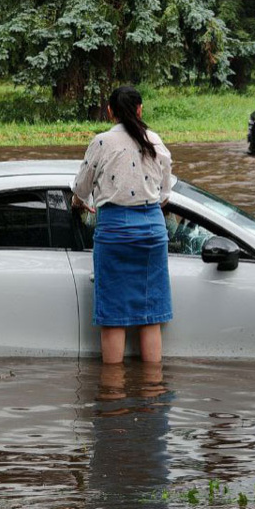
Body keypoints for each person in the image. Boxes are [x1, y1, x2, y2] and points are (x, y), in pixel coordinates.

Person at [72, 85, 173, 365]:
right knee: (151, 315)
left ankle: (113, 397)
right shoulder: (154, 140)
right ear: (140, 109)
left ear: (110, 111)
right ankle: (152, 394)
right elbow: (165, 195)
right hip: (152, 231)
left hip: (114, 231)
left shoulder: (102, 142)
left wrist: (79, 202)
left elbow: (82, 187)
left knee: (113, 317)